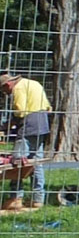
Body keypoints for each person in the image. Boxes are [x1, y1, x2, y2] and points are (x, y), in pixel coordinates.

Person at [0, 72, 52, 213]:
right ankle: (38, 199)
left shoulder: (18, 88)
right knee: (36, 162)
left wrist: (8, 124)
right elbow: (48, 107)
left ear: (8, 84)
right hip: (43, 123)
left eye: (4, 90)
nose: (5, 93)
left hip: (29, 124)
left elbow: (21, 110)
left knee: (17, 162)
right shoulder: (34, 83)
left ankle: (15, 198)